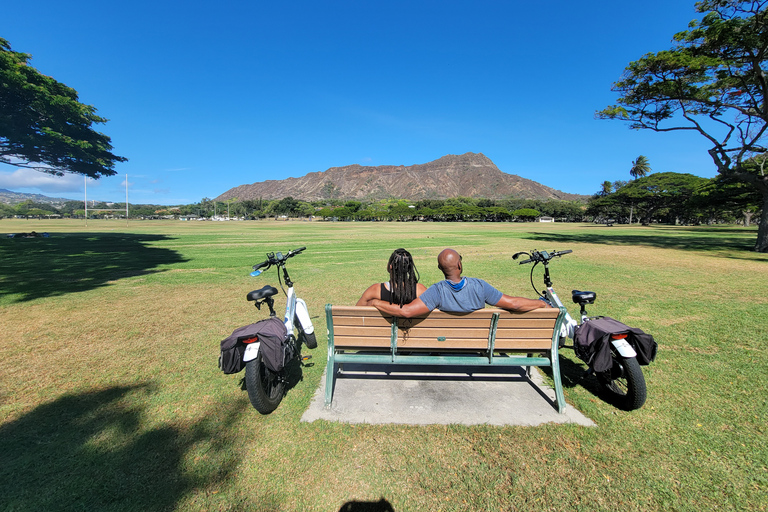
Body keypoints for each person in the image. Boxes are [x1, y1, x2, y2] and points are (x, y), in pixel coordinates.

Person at [370, 248, 548, 318]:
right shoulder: (480, 286)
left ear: (440, 269)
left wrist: (377, 302)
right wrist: (540, 303)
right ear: (460, 265)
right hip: (476, 344)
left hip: (445, 342)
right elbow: (514, 304)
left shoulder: (436, 291)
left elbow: (407, 312)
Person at [356, 248, 428, 308]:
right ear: (409, 268)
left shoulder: (375, 290)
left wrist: (375, 303)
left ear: (390, 267)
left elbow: (356, 311)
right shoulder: (420, 290)